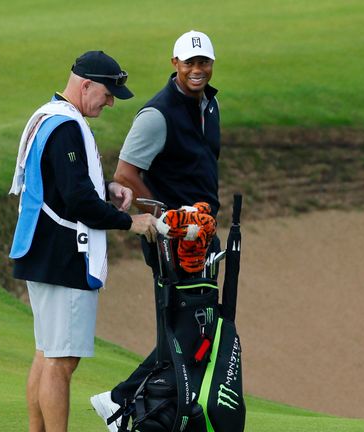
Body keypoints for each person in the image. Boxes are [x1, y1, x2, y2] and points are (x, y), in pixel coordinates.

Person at [8, 50, 158, 432]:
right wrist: (131, 222)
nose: (109, 102)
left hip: (40, 251)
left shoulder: (49, 115)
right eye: (107, 94)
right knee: (62, 362)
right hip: (63, 257)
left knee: (46, 355)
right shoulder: (66, 127)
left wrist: (105, 187)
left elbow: (65, 184)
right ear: (86, 84)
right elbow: (77, 203)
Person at [89, 30, 222, 432]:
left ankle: (138, 403)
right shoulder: (157, 115)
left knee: (197, 327)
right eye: (189, 63)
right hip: (172, 241)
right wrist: (172, 221)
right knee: (185, 329)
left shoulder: (210, 105)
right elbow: (125, 176)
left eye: (203, 63)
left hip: (202, 234)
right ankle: (121, 399)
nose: (196, 70)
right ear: (174, 64)